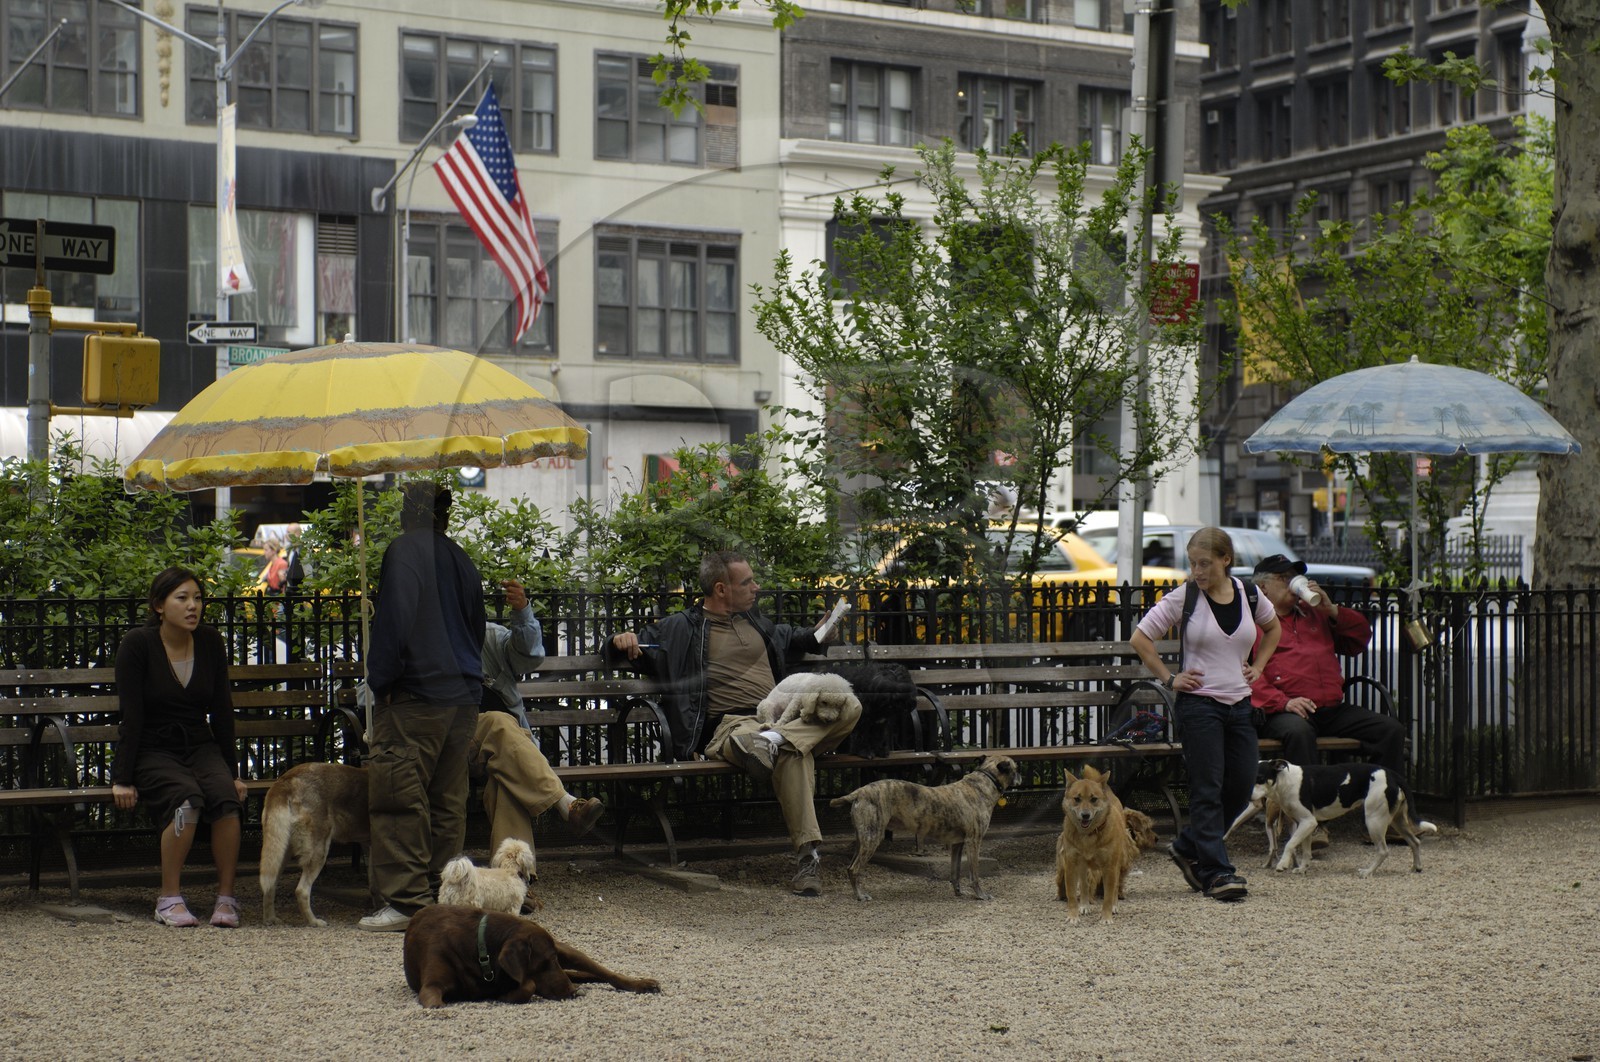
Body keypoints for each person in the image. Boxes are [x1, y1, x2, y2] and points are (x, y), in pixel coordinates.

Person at [603, 551, 857, 896]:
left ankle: (775, 740)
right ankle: (807, 857)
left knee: (850, 706)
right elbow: (625, 648)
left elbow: (794, 637)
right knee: (794, 753)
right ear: (721, 589)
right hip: (731, 726)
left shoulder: (757, 623)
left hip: (778, 719)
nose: (756, 587)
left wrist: (820, 633)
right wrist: (619, 640)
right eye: (747, 582)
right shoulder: (681, 628)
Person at [359, 483, 486, 933]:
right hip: (463, 694)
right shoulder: (462, 559)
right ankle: (443, 894)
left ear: (406, 514)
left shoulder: (404, 552)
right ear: (444, 517)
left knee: (400, 796)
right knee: (448, 802)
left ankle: (407, 901)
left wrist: (382, 681)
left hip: (415, 694)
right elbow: (477, 628)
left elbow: (394, 621)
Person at [1131, 526, 1281, 903]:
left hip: (1240, 704)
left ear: (1225, 560)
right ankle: (1216, 871)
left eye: (1204, 563)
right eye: (1192, 563)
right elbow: (1140, 638)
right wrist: (1170, 678)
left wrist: (1259, 666)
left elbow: (1273, 628)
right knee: (1207, 788)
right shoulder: (1185, 597)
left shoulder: (1249, 594)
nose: (1197, 571)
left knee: (1242, 786)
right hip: (1199, 706)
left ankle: (1187, 846)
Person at [1248, 555, 1424, 838]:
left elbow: (1359, 639)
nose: (1293, 583)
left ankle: (1388, 819)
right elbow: (1245, 675)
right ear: (1263, 587)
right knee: (1299, 732)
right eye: (1284, 578)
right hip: (1282, 710)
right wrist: (1284, 702)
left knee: (1390, 730)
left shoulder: (1314, 613)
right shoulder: (1253, 623)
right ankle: (1310, 825)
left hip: (1329, 706)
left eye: (1295, 576)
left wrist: (1331, 609)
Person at [112, 567, 248, 928]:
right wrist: (122, 778)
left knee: (226, 800)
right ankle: (169, 897)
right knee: (186, 801)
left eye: (198, 598)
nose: (193, 606)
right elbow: (131, 716)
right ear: (159, 605)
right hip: (153, 748)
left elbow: (222, 711)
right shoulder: (138, 645)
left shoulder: (210, 641)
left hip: (200, 745)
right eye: (182, 598)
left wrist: (233, 774)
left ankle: (226, 898)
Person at [472, 578, 604, 850]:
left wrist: (522, 612)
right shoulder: (430, 646)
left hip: (504, 752)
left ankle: (515, 871)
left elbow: (528, 658)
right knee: (499, 721)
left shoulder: (488, 637)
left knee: (506, 783)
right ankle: (565, 804)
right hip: (456, 745)